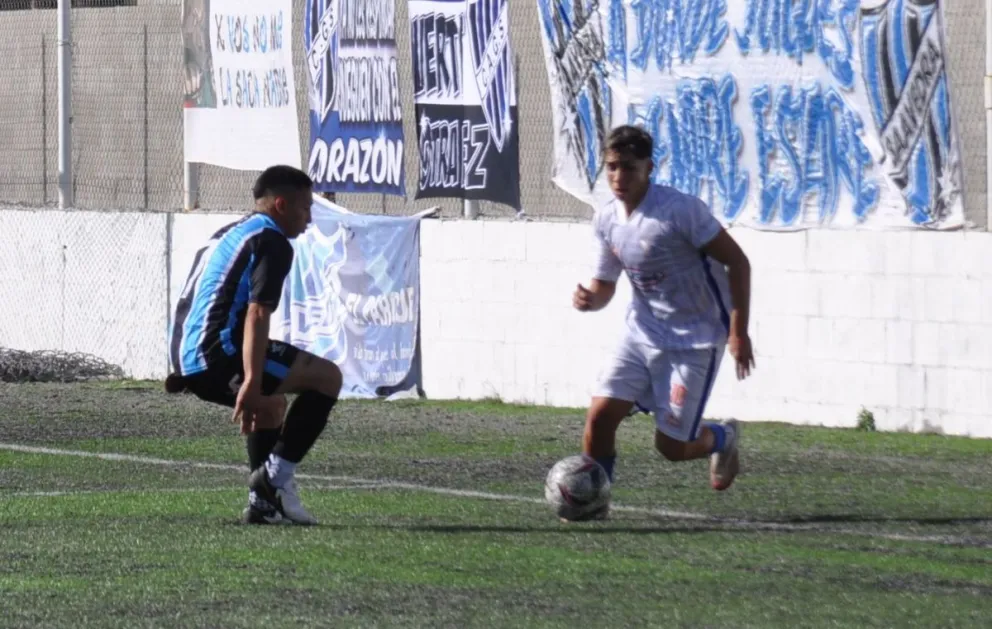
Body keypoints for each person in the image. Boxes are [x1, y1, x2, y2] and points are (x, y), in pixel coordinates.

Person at [571, 125, 755, 520]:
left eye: (629, 168)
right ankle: (594, 503)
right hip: (641, 333)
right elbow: (605, 285)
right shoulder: (606, 220)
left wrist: (739, 332)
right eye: (612, 167)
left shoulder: (679, 211)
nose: (619, 177)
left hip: (695, 341)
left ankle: (722, 437)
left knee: (670, 448)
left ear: (649, 168)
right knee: (600, 417)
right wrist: (590, 299)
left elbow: (737, 262)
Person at [164, 164, 343, 526]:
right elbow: (257, 313)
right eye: (305, 208)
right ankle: (271, 480)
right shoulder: (272, 241)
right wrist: (250, 378)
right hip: (215, 355)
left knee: (271, 407)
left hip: (186, 354)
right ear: (280, 205)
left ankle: (262, 507)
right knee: (328, 379)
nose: (309, 218)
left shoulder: (232, 231)